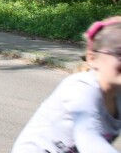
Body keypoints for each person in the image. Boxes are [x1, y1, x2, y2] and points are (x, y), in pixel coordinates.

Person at [12, 17, 121, 153]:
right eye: (120, 53)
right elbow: (88, 137)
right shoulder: (81, 87)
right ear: (92, 59)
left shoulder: (117, 95)